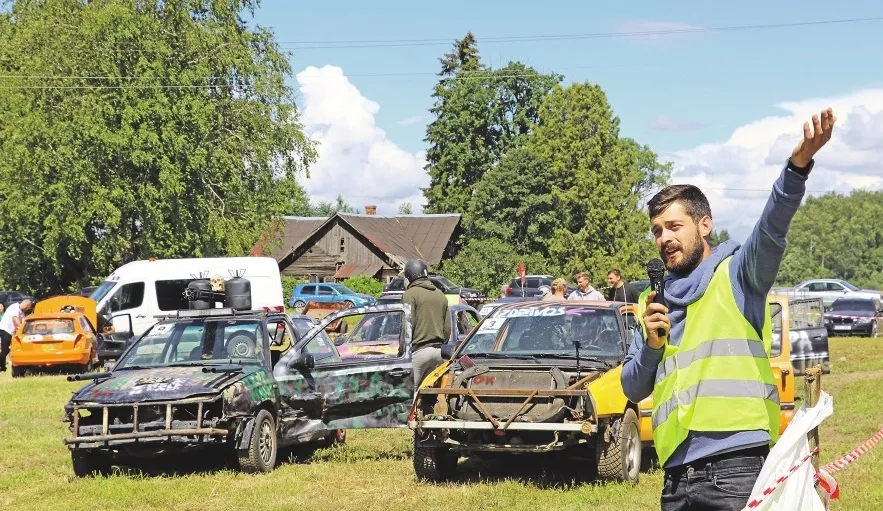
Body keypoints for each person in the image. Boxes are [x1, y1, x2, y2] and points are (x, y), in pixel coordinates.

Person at [622, 108, 837, 510]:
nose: (663, 238)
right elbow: (633, 388)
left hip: (737, 470)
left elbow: (771, 230)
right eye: (656, 231)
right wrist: (652, 346)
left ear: (704, 225)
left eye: (674, 226)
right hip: (676, 477)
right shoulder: (652, 303)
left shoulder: (738, 275)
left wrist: (796, 168)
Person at [401, 259, 450, 390]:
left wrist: (402, 350)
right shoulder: (441, 295)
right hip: (438, 352)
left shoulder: (409, 295)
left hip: (418, 352)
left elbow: (407, 326)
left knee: (408, 392)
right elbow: (447, 329)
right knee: (430, 392)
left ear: (409, 277)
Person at [0, 299, 32, 372]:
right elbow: (15, 319)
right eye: (28, 307)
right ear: (27, 305)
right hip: (5, 330)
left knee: (6, 350)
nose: (27, 309)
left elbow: (23, 322)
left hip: (9, 332)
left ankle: (2, 367)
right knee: (5, 349)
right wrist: (21, 329)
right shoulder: (15, 307)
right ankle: (2, 366)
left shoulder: (21, 312)